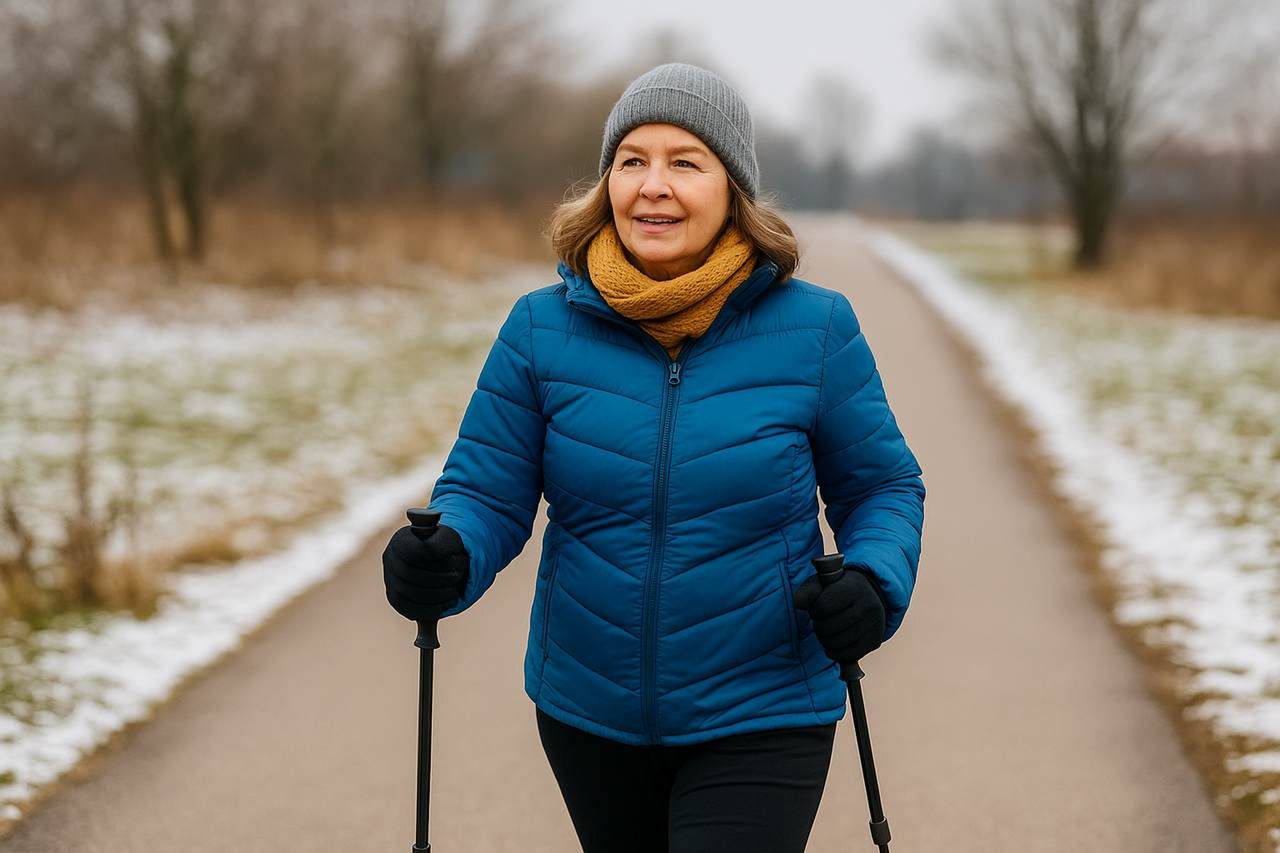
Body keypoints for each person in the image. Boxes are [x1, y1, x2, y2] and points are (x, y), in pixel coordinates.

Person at [383, 62, 925, 853]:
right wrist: (447, 553)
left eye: (685, 161)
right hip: (588, 710)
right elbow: (486, 490)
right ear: (606, 183)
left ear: (732, 187)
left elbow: (882, 486)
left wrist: (875, 578)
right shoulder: (541, 329)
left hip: (764, 703)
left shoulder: (815, 329)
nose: (653, 185)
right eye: (631, 160)